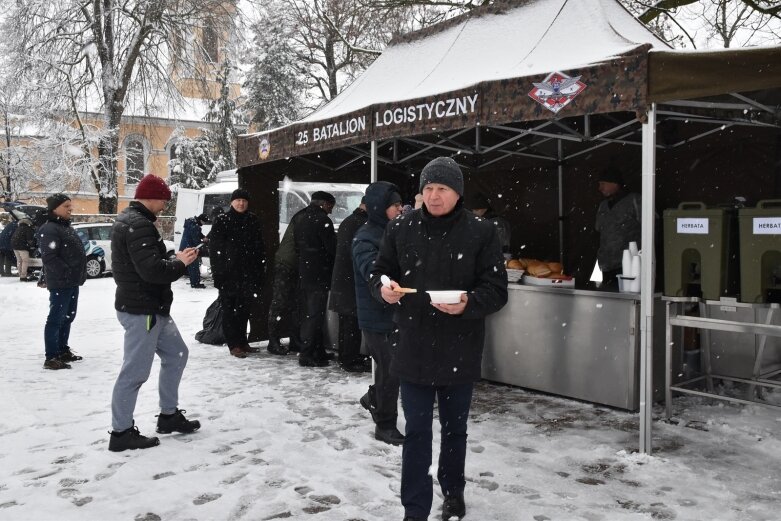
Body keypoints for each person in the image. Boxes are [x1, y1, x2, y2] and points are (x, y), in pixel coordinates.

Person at [369, 157, 508, 521]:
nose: (433, 196)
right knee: (416, 432)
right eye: (428, 188)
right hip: (412, 345)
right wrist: (383, 291)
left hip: (459, 347)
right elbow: (380, 272)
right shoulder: (401, 227)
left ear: (457, 193)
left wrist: (468, 304)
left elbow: (496, 290)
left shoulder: (482, 231)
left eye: (442, 189)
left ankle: (453, 491)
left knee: (454, 429)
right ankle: (414, 508)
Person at [108, 174, 201, 452]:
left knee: (177, 354)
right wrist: (180, 264)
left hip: (151, 308)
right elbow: (152, 271)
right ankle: (121, 433)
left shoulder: (133, 221)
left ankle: (168, 415)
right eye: (163, 200)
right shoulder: (138, 225)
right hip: (142, 310)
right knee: (134, 372)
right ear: (151, 197)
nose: (165, 206)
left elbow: (147, 265)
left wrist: (174, 260)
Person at [352, 181, 405, 445]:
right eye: (394, 206)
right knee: (390, 370)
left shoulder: (395, 231)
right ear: (379, 208)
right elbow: (371, 270)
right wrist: (383, 286)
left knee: (393, 367)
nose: (400, 209)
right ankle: (384, 425)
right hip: (376, 315)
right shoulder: (365, 237)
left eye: (400, 205)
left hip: (396, 313)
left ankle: (374, 398)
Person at [209, 188, 267, 359]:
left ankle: (242, 341)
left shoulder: (252, 220)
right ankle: (233, 344)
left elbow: (259, 247)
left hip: (248, 274)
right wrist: (219, 275)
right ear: (231, 202)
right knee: (229, 311)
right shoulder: (222, 220)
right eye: (238, 200)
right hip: (229, 275)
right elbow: (215, 250)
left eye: (244, 200)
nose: (241, 203)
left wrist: (260, 270)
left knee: (244, 310)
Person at [38, 194, 87, 370]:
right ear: (55, 208)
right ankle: (51, 357)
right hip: (61, 282)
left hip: (71, 281)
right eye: (66, 206)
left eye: (70, 206)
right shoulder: (50, 229)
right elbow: (49, 257)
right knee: (56, 319)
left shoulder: (64, 227)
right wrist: (67, 272)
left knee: (68, 317)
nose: (70, 209)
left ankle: (62, 350)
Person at [292, 191, 336, 367]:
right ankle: (308, 353)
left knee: (309, 314)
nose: (331, 211)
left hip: (305, 272)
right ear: (324, 204)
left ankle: (315, 350)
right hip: (319, 274)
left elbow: (297, 246)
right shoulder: (323, 220)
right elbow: (332, 248)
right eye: (330, 206)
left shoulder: (301, 218)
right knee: (315, 315)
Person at [329, 198, 369, 372]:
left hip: (342, 278)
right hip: (351, 279)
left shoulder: (348, 221)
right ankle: (350, 359)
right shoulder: (362, 224)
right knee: (351, 322)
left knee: (347, 322)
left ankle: (346, 356)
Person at [594, 165, 641, 288]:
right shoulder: (603, 206)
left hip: (629, 267)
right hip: (606, 266)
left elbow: (653, 228)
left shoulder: (635, 201)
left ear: (615, 183)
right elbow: (598, 230)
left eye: (603, 183)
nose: (600, 188)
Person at [267, 222, 299, 355]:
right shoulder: (307, 218)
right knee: (280, 304)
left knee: (284, 304)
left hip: (287, 264)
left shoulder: (302, 217)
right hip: (287, 266)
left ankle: (278, 340)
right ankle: (274, 341)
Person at [466, 192, 512, 256]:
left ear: (484, 209)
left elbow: (500, 247)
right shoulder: (485, 221)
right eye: (473, 210)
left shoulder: (496, 223)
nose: (473, 212)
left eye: (476, 210)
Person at [179, 213, 210, 288]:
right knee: (194, 266)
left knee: (190, 265)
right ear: (201, 220)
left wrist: (203, 237)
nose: (204, 224)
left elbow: (198, 234)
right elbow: (196, 239)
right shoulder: (195, 226)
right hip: (190, 248)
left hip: (185, 246)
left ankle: (193, 281)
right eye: (204, 222)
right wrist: (203, 244)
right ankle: (195, 284)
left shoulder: (192, 223)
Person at [11, 217, 37, 281]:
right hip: (22, 247)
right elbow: (30, 240)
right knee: (25, 261)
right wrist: (33, 246)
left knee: (19, 261)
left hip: (14, 246)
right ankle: (23, 277)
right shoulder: (28, 229)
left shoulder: (18, 228)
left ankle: (20, 274)